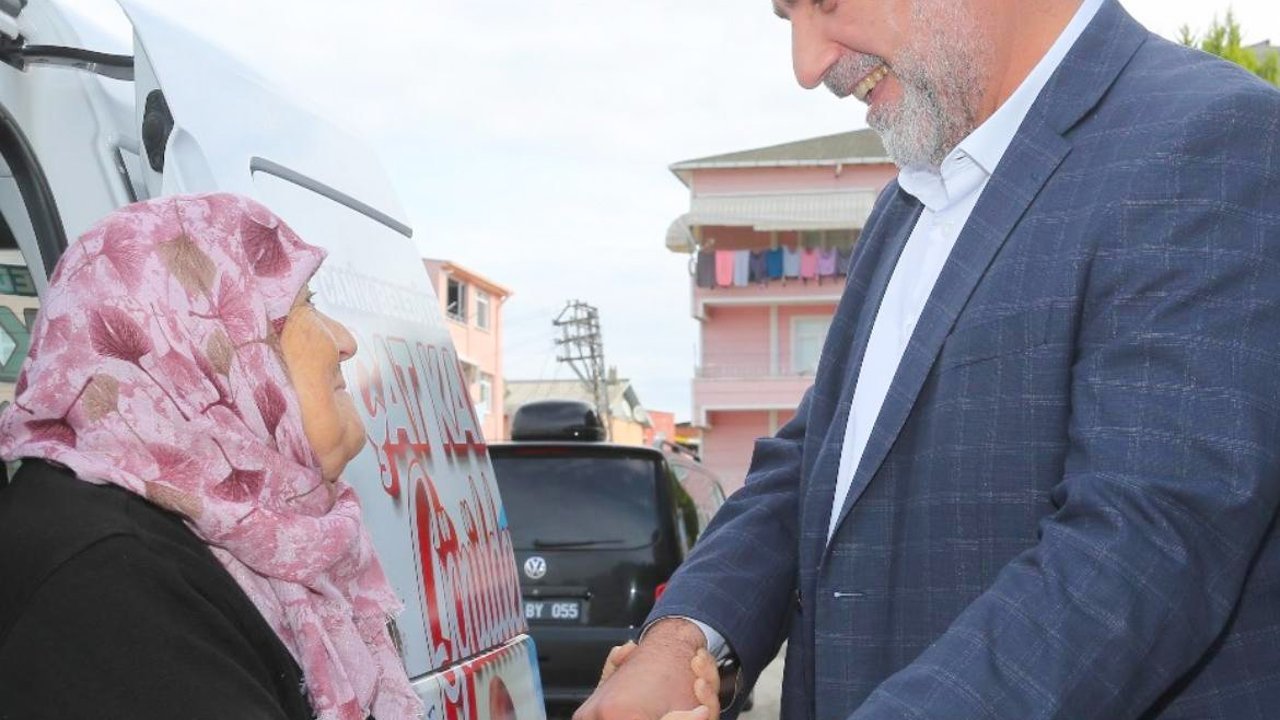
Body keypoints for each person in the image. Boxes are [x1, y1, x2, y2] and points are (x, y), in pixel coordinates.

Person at [579, 0, 1280, 718]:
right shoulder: (907, 204)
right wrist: (684, 643)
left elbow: (1139, 548)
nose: (806, 66)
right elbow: (811, 467)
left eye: (826, 2)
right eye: (787, 17)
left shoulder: (1214, 138)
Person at [0, 193, 422, 720]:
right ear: (203, 336)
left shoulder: (239, 530)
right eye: (306, 302)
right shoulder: (104, 579)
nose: (345, 340)